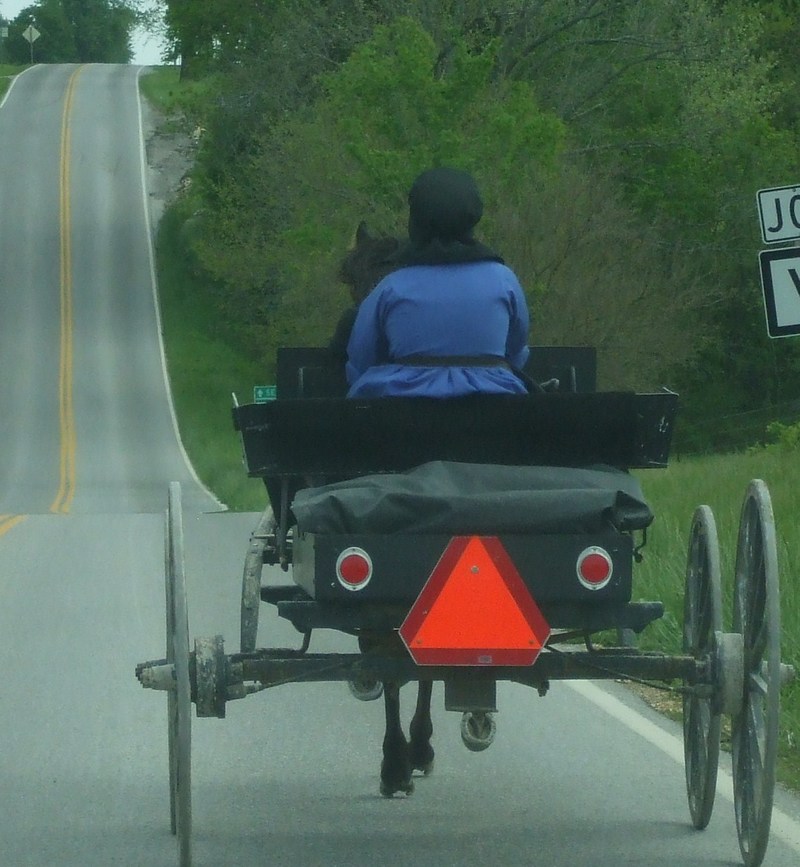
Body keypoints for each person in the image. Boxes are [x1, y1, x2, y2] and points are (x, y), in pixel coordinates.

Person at [345, 167, 531, 398]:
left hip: (405, 411)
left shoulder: (392, 286)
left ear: (416, 219)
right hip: (493, 405)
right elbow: (516, 352)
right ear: (472, 218)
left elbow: (361, 361)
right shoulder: (504, 280)